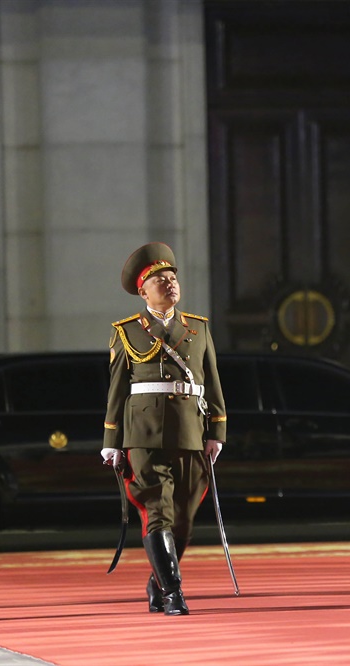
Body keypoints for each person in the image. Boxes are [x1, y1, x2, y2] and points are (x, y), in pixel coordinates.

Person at [101, 242, 227, 616]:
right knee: (157, 510)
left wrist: (216, 431)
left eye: (173, 278)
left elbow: (213, 382)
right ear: (143, 291)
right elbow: (117, 390)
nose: (170, 284)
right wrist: (112, 440)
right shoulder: (127, 332)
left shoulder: (199, 329)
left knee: (184, 518)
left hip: (190, 430)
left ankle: (158, 580)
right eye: (160, 280)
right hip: (143, 434)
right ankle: (173, 592)